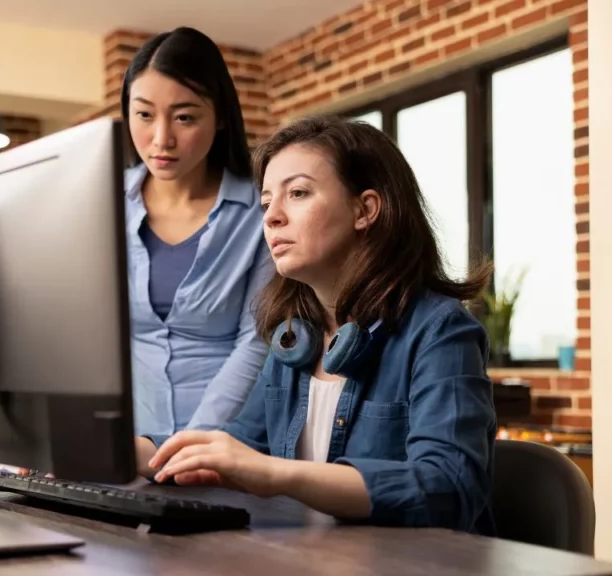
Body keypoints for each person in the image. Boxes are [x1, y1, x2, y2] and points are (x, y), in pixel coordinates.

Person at [137, 115, 498, 534]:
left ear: (365, 209)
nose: (272, 217)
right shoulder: (294, 338)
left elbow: (448, 488)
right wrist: (121, 453)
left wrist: (276, 474)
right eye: (267, 201)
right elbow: (235, 447)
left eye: (298, 193)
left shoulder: (441, 331)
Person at [120, 27, 274, 441]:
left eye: (184, 116)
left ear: (221, 116)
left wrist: (192, 444)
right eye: (144, 114)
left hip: (227, 444)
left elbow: (257, 342)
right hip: (124, 448)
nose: (161, 139)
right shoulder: (103, 205)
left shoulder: (263, 209)